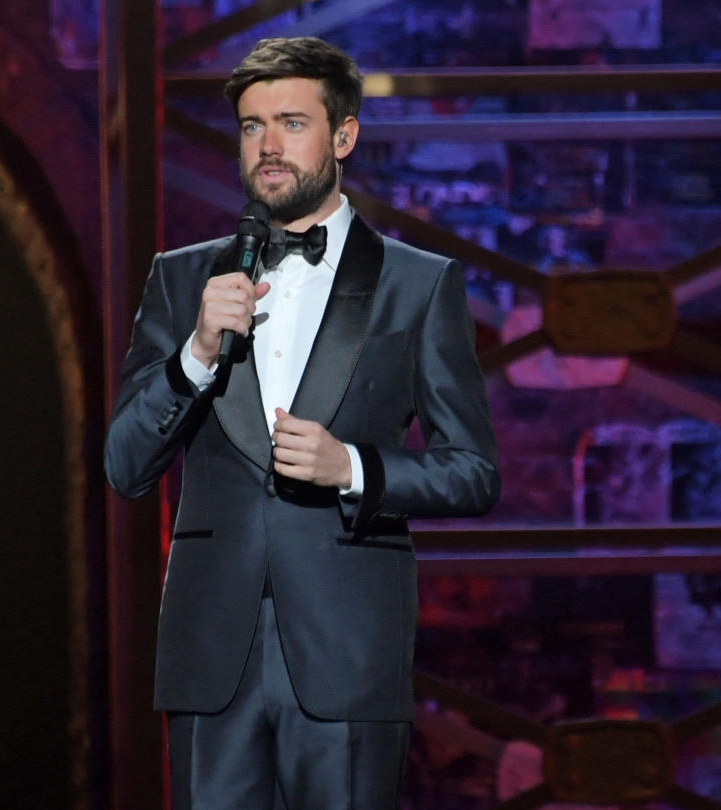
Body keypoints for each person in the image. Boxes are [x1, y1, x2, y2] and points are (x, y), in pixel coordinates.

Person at [104, 37, 500, 810]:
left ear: (344, 135)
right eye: (252, 128)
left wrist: (352, 466)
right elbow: (124, 465)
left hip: (347, 656)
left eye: (291, 122)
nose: (269, 147)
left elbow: (472, 470)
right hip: (211, 660)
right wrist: (194, 353)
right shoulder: (184, 277)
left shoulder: (418, 285)